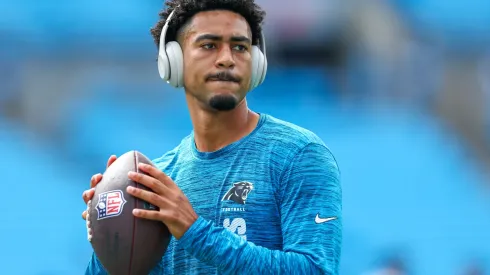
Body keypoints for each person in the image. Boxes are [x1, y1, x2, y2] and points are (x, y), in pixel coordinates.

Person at [81, 0, 342, 274]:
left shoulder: (298, 155)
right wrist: (109, 239)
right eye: (209, 45)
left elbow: (316, 270)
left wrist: (194, 230)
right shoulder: (157, 181)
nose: (227, 58)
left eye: (240, 47)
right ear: (173, 60)